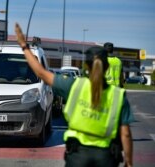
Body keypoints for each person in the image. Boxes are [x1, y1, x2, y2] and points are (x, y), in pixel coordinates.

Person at [15, 23, 134, 167]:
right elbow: (126, 134)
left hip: (77, 156)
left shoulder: (74, 86)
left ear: (86, 66)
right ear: (107, 67)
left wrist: (24, 46)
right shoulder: (118, 96)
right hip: (105, 157)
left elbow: (41, 73)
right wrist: (128, 161)